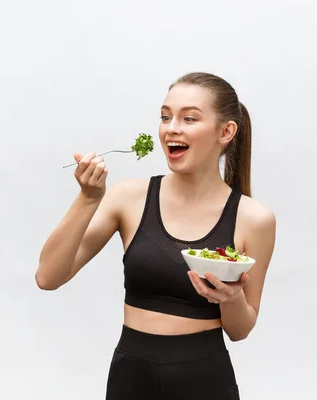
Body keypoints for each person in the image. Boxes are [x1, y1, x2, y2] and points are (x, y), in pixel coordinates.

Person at [35, 72, 276, 399]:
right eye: (165, 117)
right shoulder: (128, 197)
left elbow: (240, 329)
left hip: (205, 379)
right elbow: (48, 277)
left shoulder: (254, 218)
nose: (171, 128)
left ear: (226, 131)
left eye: (189, 118)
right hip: (130, 378)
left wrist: (232, 299)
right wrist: (88, 199)